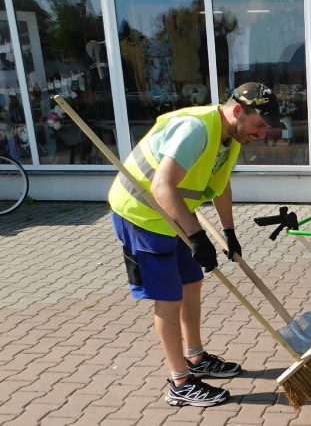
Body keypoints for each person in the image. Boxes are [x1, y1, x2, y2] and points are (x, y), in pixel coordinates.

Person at [107, 82, 285, 407]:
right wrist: (198, 236)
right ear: (237, 111)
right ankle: (180, 383)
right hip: (142, 214)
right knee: (167, 299)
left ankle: (195, 358)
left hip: (173, 213)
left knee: (192, 282)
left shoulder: (229, 137)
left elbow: (220, 184)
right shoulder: (196, 130)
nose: (262, 134)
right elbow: (162, 185)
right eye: (259, 125)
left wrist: (229, 232)